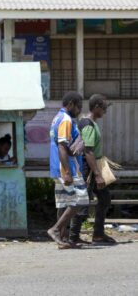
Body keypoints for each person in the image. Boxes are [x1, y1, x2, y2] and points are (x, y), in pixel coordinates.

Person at [68, 94, 116, 244]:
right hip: (88, 168)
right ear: (96, 107)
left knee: (104, 198)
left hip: (93, 167)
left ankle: (98, 234)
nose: (105, 112)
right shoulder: (87, 124)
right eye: (104, 108)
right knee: (83, 201)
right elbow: (88, 151)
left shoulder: (91, 122)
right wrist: (97, 174)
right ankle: (73, 236)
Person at [47, 91, 89, 249]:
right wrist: (68, 172)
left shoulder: (57, 118)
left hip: (58, 167)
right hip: (68, 168)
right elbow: (62, 146)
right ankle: (56, 230)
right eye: (78, 107)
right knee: (81, 200)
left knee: (64, 203)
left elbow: (64, 145)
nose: (79, 111)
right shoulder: (65, 119)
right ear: (70, 103)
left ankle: (63, 239)